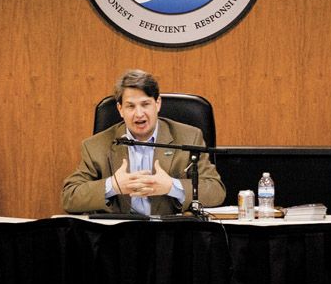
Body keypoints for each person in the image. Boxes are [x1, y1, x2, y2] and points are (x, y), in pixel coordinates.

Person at [62, 69, 226, 216]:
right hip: (118, 234)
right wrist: (113, 186)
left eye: (145, 104)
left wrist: (172, 186)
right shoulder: (95, 146)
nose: (139, 114)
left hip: (171, 234)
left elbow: (216, 191)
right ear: (120, 109)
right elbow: (69, 197)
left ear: (157, 104)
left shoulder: (189, 138)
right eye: (130, 106)